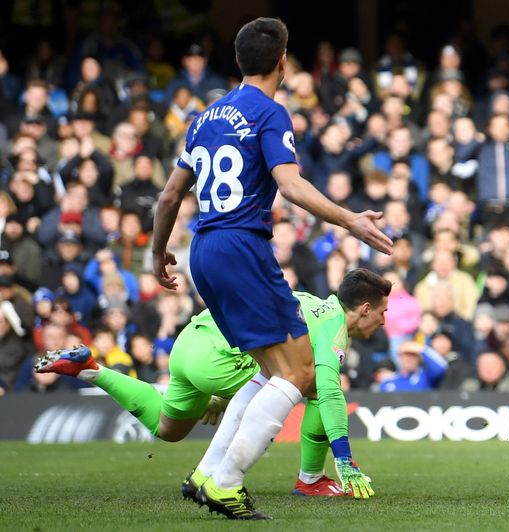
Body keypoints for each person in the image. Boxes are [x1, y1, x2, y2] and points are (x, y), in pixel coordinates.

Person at [150, 18, 392, 519]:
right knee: (300, 371)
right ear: (282, 62)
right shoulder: (270, 112)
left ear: (239, 61)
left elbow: (170, 195)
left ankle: (206, 475)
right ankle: (226, 483)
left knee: (270, 369)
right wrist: (349, 219)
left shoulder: (204, 117)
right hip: (242, 246)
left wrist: (157, 252)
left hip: (203, 249)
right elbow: (290, 184)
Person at [34, 269, 389, 504]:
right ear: (365, 308)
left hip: (189, 342)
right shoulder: (333, 329)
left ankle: (92, 371)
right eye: (382, 312)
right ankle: (308, 479)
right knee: (313, 384)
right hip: (220, 357)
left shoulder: (310, 302)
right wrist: (344, 458)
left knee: (167, 427)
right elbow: (329, 392)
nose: (384, 321)